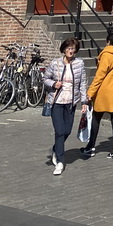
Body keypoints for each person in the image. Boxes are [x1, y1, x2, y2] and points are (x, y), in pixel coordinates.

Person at [43, 38, 89, 176]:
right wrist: (53, 84)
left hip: (71, 102)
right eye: (69, 48)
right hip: (56, 102)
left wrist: (84, 101)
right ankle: (60, 162)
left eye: (73, 49)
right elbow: (45, 78)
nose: (71, 51)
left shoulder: (79, 64)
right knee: (59, 131)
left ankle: (56, 149)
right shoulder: (55, 63)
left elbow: (82, 83)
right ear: (64, 49)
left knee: (67, 130)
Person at [84, 32, 113, 160]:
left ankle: (91, 146)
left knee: (96, 118)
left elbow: (100, 76)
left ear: (108, 42)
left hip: (106, 91)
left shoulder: (107, 54)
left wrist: (90, 92)